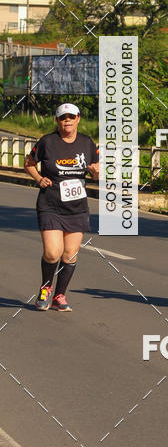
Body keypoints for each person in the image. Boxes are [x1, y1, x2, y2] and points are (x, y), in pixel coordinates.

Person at [24, 103, 99, 312]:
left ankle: (59, 295)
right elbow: (28, 163)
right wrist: (39, 179)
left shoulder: (87, 143)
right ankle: (46, 288)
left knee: (69, 254)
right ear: (57, 120)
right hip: (50, 204)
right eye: (63, 117)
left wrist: (95, 172)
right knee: (52, 252)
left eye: (71, 117)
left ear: (78, 119)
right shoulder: (47, 142)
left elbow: (97, 171)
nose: (67, 120)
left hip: (77, 207)